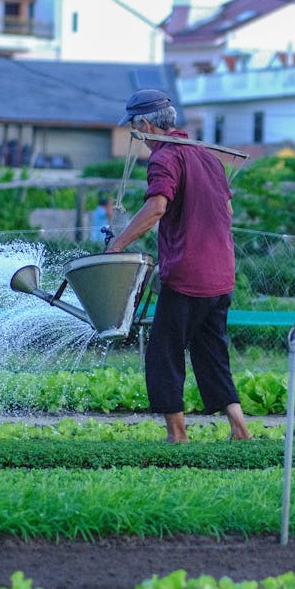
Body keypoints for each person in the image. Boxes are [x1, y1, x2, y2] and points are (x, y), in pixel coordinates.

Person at [105, 89, 251, 442]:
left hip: (188, 277)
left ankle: (177, 434)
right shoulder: (207, 156)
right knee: (211, 352)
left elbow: (157, 207)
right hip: (221, 275)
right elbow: (227, 211)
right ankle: (239, 427)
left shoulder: (165, 157)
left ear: (144, 123)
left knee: (164, 354)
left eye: (134, 127)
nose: (135, 135)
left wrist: (117, 245)